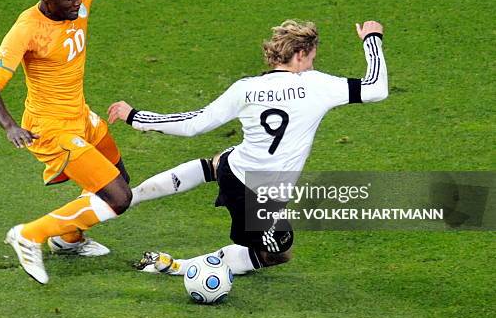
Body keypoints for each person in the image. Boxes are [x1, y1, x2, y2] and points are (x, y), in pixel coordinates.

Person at [108, 19, 388, 276]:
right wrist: (372, 39)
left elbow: (194, 123)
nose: (313, 65)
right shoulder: (317, 84)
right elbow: (376, 88)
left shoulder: (246, 88)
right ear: (300, 55)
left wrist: (136, 117)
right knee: (279, 251)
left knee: (218, 163)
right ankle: (179, 267)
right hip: (257, 196)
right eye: (312, 59)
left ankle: (130, 197)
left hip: (235, 170)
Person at [0, 0, 162, 284]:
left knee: (117, 179)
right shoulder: (27, 29)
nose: (77, 3)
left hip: (81, 116)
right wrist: (10, 126)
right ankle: (30, 234)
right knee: (119, 198)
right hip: (50, 130)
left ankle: (68, 238)